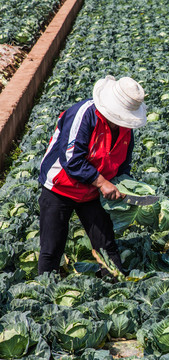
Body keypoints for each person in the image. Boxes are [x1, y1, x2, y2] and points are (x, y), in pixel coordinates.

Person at [37, 75, 147, 276]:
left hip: (93, 193)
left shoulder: (126, 130)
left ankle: (115, 290)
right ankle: (45, 293)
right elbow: (71, 159)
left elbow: (122, 165)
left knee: (107, 246)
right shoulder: (83, 114)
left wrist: (126, 189)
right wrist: (102, 182)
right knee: (52, 249)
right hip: (60, 188)